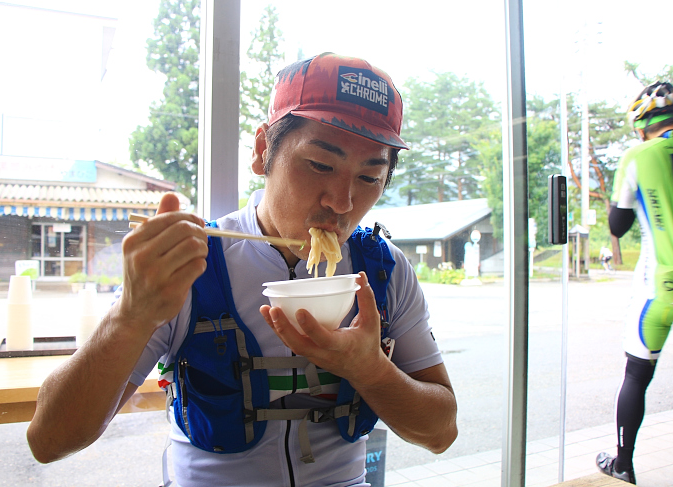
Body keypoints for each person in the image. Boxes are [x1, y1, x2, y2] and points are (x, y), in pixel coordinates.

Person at [26, 52, 458, 486]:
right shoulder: (193, 264)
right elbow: (50, 441)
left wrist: (371, 369)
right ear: (262, 151)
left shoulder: (384, 270)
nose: (342, 203)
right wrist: (132, 315)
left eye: (369, 177)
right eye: (320, 165)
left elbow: (440, 433)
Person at [596, 81, 673, 485]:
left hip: (659, 286)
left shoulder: (638, 155)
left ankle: (623, 463)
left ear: (642, 122)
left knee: (636, 375)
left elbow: (619, 224)